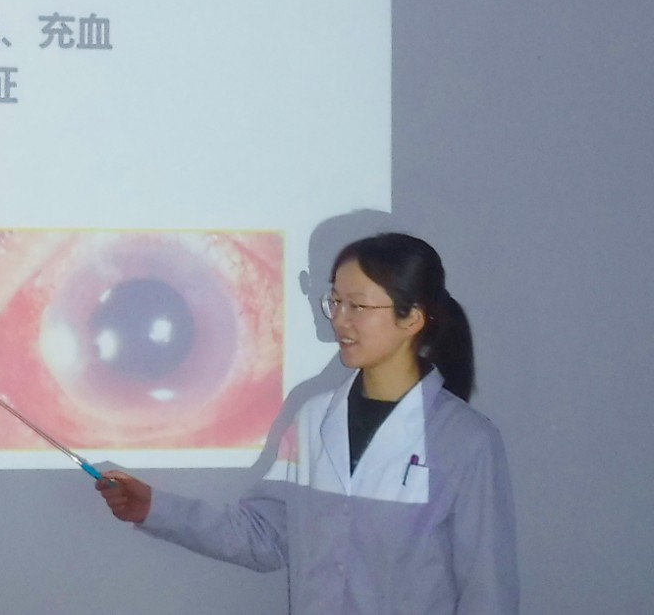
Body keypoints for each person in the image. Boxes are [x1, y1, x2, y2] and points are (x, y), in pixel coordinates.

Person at [97, 233, 517, 615]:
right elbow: (264, 537)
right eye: (335, 302)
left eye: (358, 306)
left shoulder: (465, 441)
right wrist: (154, 508)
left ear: (412, 318)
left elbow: (487, 593)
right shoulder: (313, 420)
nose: (340, 320)